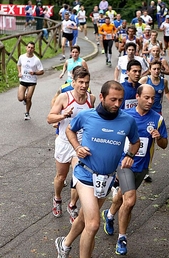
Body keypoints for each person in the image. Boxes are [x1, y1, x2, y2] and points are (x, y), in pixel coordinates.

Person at [55, 81, 140, 258]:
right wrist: (77, 147)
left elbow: (135, 141)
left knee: (85, 218)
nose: (117, 104)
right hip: (84, 174)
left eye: (120, 100)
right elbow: (70, 130)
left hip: (106, 179)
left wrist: (130, 156)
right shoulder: (86, 115)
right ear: (101, 97)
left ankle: (65, 244)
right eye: (113, 100)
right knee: (93, 224)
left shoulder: (127, 121)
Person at [102, 84, 168, 255]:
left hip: (142, 167)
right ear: (137, 97)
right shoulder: (124, 115)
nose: (150, 101)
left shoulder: (158, 119)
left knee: (123, 196)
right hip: (124, 165)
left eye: (153, 98)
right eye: (146, 97)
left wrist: (159, 138)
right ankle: (122, 238)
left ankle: (109, 215)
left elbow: (164, 145)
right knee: (130, 201)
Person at [47, 67, 96, 224]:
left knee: (78, 177)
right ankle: (57, 198)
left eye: (86, 83)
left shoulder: (91, 99)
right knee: (61, 177)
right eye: (80, 82)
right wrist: (63, 115)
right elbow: (49, 118)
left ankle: (72, 205)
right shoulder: (64, 97)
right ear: (73, 82)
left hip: (80, 145)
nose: (83, 85)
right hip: (63, 142)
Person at [16, 42, 44, 120]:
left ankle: (27, 113)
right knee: (20, 98)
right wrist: (19, 72)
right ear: (26, 48)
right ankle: (24, 100)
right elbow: (18, 64)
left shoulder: (36, 60)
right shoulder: (22, 57)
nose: (30, 49)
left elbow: (42, 71)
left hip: (32, 81)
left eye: (32, 48)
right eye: (29, 47)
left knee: (29, 98)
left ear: (34, 49)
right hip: (23, 79)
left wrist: (34, 73)